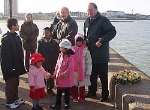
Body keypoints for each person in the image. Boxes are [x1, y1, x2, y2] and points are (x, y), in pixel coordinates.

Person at [84, 3, 116, 102]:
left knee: (103, 75)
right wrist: (85, 41)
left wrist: (101, 41)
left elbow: (112, 32)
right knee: (92, 74)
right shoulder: (87, 21)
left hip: (101, 54)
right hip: (91, 54)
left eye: (91, 9)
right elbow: (86, 34)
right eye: (88, 10)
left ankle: (105, 95)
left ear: (96, 9)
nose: (89, 11)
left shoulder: (103, 20)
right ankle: (92, 92)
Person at [1, 18, 26, 109]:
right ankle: (9, 101)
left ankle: (15, 99)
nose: (18, 26)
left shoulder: (16, 36)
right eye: (17, 24)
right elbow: (5, 56)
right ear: (12, 26)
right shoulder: (6, 38)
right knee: (10, 84)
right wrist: (10, 68)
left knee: (15, 83)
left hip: (16, 66)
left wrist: (19, 66)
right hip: (10, 67)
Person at [50, 39, 75, 110]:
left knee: (67, 93)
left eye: (61, 47)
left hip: (66, 79)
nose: (60, 48)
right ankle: (57, 105)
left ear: (66, 49)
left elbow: (70, 68)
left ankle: (67, 105)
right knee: (59, 92)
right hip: (60, 78)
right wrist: (55, 73)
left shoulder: (71, 57)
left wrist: (63, 74)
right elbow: (57, 65)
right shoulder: (60, 55)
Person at [38, 27, 59, 94]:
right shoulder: (40, 42)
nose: (46, 34)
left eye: (47, 32)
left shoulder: (54, 43)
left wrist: (56, 62)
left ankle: (50, 89)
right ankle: (42, 90)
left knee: (51, 76)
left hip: (52, 62)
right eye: (44, 33)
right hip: (43, 63)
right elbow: (38, 53)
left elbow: (57, 53)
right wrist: (39, 62)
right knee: (42, 77)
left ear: (50, 33)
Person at [71, 33, 92, 102]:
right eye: (77, 41)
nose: (79, 42)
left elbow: (89, 62)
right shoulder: (72, 49)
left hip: (82, 70)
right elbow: (69, 60)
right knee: (74, 84)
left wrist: (88, 71)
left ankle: (82, 97)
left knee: (82, 85)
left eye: (80, 41)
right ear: (75, 41)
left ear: (83, 41)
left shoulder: (86, 50)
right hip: (74, 70)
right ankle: (75, 97)